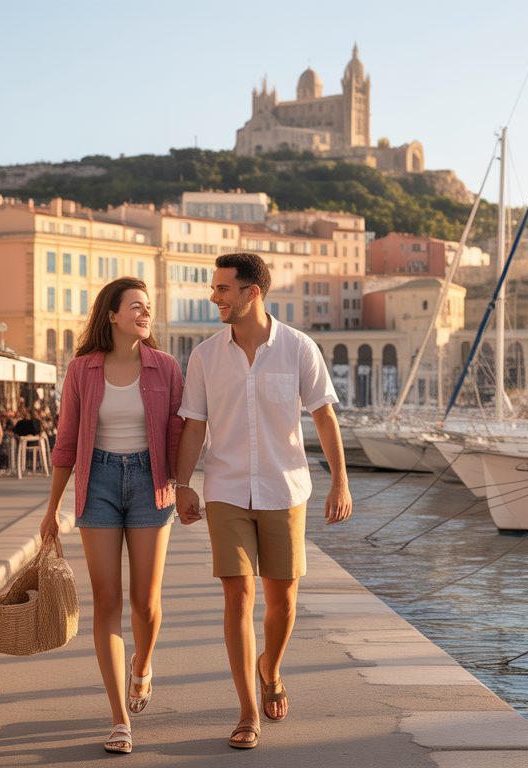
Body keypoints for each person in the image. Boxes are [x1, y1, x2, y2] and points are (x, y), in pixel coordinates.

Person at [173, 252, 353, 751]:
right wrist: (182, 482)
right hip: (226, 489)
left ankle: (269, 668)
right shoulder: (205, 355)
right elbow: (194, 423)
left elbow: (323, 418)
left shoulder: (298, 348)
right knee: (238, 597)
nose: (215, 298)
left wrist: (340, 481)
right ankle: (248, 709)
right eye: (215, 289)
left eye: (223, 289)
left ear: (252, 292)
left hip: (284, 488)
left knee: (283, 600)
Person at [40, 277, 185, 755]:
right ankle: (120, 718)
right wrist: (52, 508)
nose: (145, 313)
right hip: (97, 482)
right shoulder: (82, 369)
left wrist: (183, 488)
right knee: (107, 600)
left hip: (150, 483)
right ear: (112, 315)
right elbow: (65, 442)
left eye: (148, 307)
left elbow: (180, 434)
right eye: (136, 307)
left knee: (145, 601)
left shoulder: (165, 367)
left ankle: (141, 667)